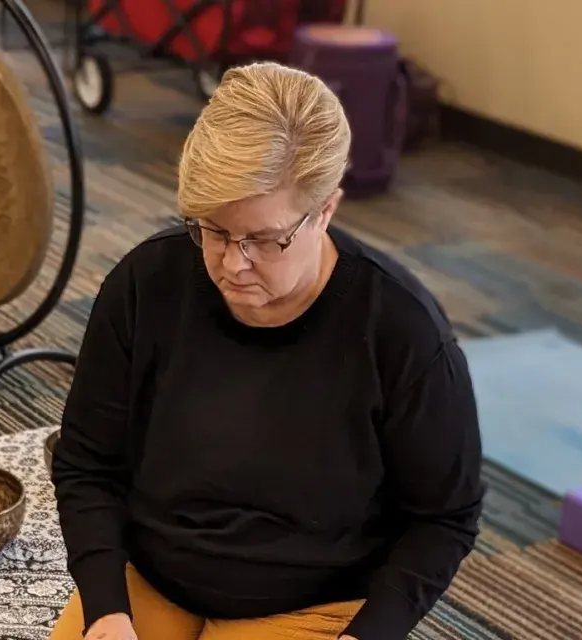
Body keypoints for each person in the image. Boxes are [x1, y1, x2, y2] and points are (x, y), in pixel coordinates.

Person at [52, 61, 484, 640]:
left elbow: (445, 516)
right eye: (213, 229)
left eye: (264, 239)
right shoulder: (146, 283)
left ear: (325, 210)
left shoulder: (402, 330)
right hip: (150, 575)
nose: (232, 263)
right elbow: (87, 461)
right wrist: (107, 608)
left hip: (311, 601)